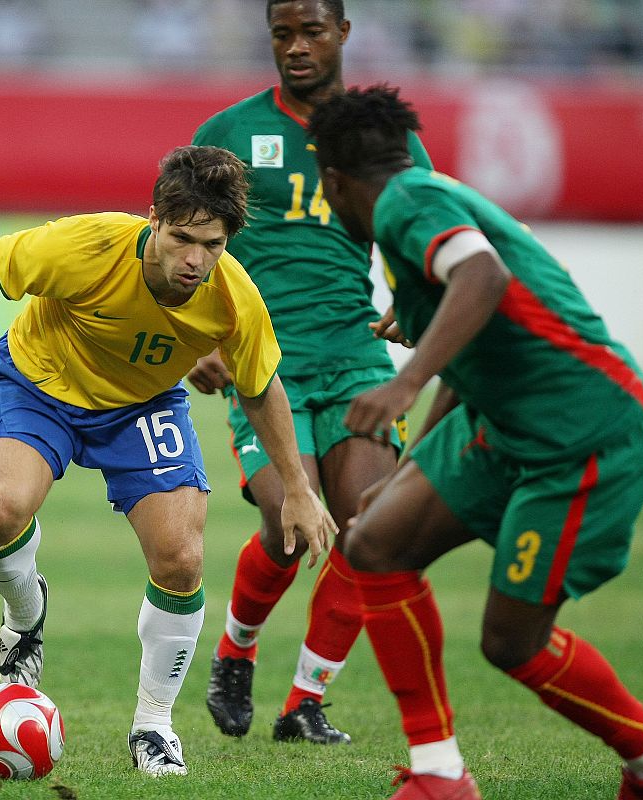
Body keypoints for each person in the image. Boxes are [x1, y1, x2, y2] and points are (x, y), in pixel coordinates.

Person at [0, 145, 337, 778]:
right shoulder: (89, 245)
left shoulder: (233, 299)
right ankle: (26, 617)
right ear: (155, 221)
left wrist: (298, 490)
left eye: (214, 244)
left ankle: (154, 727)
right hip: (40, 386)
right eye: (182, 238)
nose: (196, 259)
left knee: (182, 558)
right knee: (0, 511)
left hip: (141, 405)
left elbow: (261, 387)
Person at [307, 85, 643, 799]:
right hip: (504, 425)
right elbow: (475, 341)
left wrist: (404, 384)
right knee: (373, 539)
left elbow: (483, 278)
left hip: (584, 438)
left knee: (510, 643)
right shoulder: (425, 203)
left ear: (333, 181)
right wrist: (415, 462)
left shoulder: (402, 204)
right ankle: (439, 774)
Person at [187, 0, 433, 744]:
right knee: (288, 527)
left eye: (312, 32)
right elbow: (178, 240)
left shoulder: (381, 138)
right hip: (262, 359)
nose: (296, 47)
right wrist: (194, 334)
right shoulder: (229, 134)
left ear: (344, 33)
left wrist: (415, 298)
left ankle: (305, 703)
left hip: (355, 356)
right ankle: (235, 653)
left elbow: (425, 220)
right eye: (282, 34)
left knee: (367, 529)